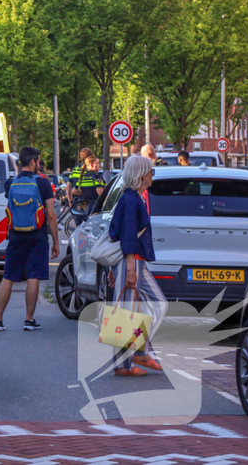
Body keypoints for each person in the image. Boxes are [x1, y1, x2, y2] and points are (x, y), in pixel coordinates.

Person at [108, 154, 167, 376]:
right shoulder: (131, 200)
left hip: (133, 262)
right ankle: (126, 363)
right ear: (142, 175)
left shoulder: (133, 198)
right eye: (151, 171)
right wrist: (129, 270)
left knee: (133, 309)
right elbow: (128, 237)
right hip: (131, 262)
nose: (153, 175)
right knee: (126, 312)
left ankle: (135, 354)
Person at [0, 146, 59, 332]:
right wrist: (55, 241)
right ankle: (29, 320)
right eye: (38, 161)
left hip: (15, 235)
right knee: (33, 276)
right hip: (37, 235)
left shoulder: (10, 183)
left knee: (8, 276)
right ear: (33, 162)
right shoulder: (43, 184)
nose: (40, 164)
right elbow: (51, 215)